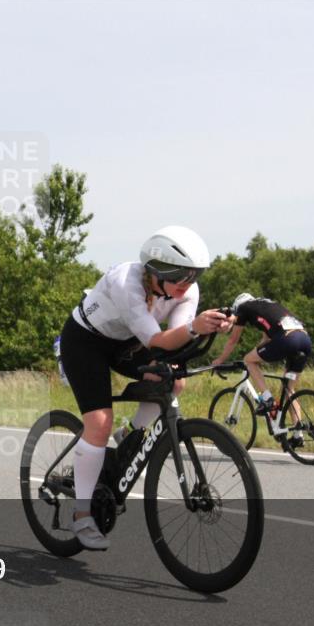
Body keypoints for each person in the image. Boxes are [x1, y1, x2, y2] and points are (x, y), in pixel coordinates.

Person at [59, 226, 231, 550]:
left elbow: (176, 341)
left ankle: (130, 437)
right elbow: (156, 340)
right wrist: (196, 327)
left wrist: (211, 328)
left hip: (126, 341)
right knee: (98, 422)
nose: (185, 287)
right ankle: (81, 515)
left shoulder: (186, 291)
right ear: (155, 271)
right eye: (179, 279)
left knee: (174, 380)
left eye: (191, 278)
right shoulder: (127, 282)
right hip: (86, 342)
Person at [212, 293, 312, 447]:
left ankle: (267, 399)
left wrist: (220, 360)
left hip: (287, 339)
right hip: (304, 339)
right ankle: (298, 435)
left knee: (248, 360)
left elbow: (233, 340)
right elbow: (266, 340)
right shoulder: (267, 305)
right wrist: (258, 353)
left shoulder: (244, 308)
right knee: (289, 391)